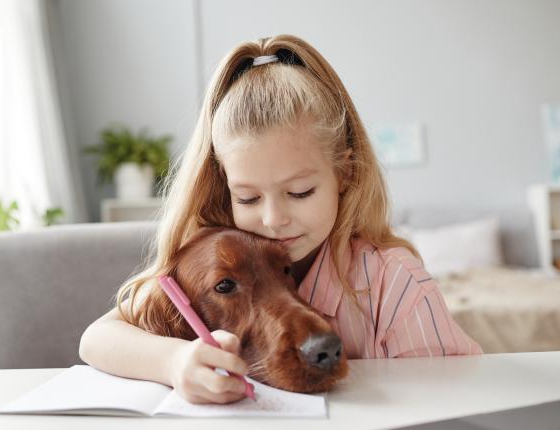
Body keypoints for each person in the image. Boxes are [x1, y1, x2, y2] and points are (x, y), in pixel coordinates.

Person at [79, 34, 482, 405]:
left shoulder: (393, 281)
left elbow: (452, 402)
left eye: (300, 192)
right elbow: (97, 338)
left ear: (345, 172)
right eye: (248, 197)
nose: (273, 219)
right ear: (225, 187)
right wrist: (172, 361)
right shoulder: (209, 256)